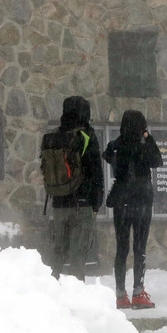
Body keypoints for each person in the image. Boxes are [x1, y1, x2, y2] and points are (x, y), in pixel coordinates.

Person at [102, 109, 163, 309]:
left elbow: (107, 155)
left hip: (121, 200)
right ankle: (138, 292)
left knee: (122, 248)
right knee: (139, 248)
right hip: (142, 200)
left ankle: (120, 295)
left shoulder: (115, 145)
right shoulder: (143, 146)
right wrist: (147, 137)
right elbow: (158, 161)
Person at [40, 95, 104, 281]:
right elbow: (95, 171)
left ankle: (52, 291)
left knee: (57, 254)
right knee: (78, 256)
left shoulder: (54, 136)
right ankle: (77, 300)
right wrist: (96, 203)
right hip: (81, 205)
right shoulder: (86, 136)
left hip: (58, 204)